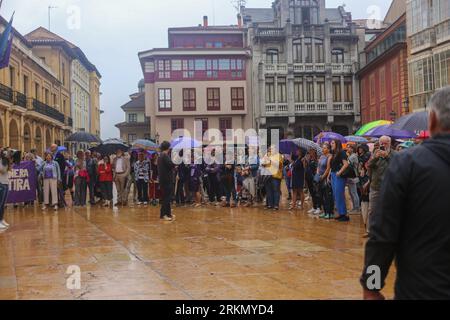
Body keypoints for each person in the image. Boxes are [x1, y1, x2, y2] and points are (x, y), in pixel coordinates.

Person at [361, 86, 450, 300]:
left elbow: (382, 235)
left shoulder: (408, 163)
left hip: (422, 291)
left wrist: (371, 286)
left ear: (432, 120)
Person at [366, 135, 395, 232]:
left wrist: (387, 156)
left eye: (385, 143)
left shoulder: (395, 154)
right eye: (381, 143)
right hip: (375, 185)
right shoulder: (375, 152)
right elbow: (369, 166)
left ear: (389, 144)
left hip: (389, 186)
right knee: (372, 210)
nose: (383, 145)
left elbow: (397, 165)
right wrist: (375, 157)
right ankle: (370, 231)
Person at [330, 139, 350, 222]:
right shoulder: (334, 153)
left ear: (337, 144)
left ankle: (344, 214)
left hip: (339, 176)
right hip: (333, 175)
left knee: (339, 194)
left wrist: (340, 172)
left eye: (332, 143)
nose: (331, 144)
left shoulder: (342, 152)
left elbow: (346, 164)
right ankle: (340, 213)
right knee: (335, 195)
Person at [261, 146, 284, 211]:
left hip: (276, 176)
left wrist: (270, 160)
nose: (271, 150)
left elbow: (278, 165)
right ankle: (270, 205)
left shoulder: (279, 155)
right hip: (268, 175)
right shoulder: (268, 155)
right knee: (268, 191)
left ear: (276, 149)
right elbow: (263, 164)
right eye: (270, 149)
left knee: (276, 190)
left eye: (272, 148)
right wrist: (264, 160)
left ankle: (276, 205)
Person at [158, 141, 175, 221]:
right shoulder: (165, 156)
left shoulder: (160, 155)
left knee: (167, 197)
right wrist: (174, 164)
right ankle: (163, 214)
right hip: (167, 180)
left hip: (163, 179)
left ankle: (168, 213)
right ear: (168, 147)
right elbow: (170, 165)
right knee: (166, 198)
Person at [317, 143, 334, 219]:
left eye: (324, 148)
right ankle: (324, 211)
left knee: (327, 196)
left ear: (328, 149)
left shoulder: (330, 156)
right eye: (322, 148)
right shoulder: (321, 156)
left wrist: (323, 176)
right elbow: (318, 166)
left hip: (326, 178)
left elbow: (328, 168)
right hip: (320, 177)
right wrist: (318, 174)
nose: (323, 149)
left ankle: (329, 212)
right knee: (321, 196)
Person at [305, 148, 321, 215]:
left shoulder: (317, 160)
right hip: (308, 178)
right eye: (309, 151)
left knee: (316, 193)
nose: (309, 152)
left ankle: (318, 208)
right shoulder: (310, 159)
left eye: (311, 150)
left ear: (314, 151)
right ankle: (314, 207)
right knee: (312, 193)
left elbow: (317, 169)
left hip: (314, 178)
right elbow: (307, 168)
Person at [346, 144, 360, 213]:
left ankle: (356, 208)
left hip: (353, 176)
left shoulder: (353, 156)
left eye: (348, 148)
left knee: (354, 192)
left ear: (352, 149)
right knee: (351, 192)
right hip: (350, 176)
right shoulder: (350, 156)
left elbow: (347, 164)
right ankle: (354, 207)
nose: (347, 149)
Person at [0, 150, 11, 230]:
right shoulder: (1, 161)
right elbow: (2, 170)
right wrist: (6, 164)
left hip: (6, 183)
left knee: (3, 204)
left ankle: (1, 219)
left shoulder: (6, 161)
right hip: (1, 183)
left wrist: (9, 163)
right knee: (0, 204)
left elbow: (8, 171)